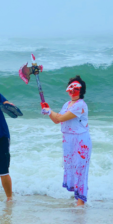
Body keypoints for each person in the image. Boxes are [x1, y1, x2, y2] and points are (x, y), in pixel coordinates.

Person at [41, 75, 92, 206]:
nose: (72, 92)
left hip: (81, 142)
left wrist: (50, 111)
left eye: (75, 90)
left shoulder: (81, 105)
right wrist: (48, 112)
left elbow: (62, 118)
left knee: (80, 170)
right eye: (70, 89)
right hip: (68, 140)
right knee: (72, 169)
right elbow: (56, 120)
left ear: (81, 91)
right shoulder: (67, 104)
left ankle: (81, 204)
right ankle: (77, 200)